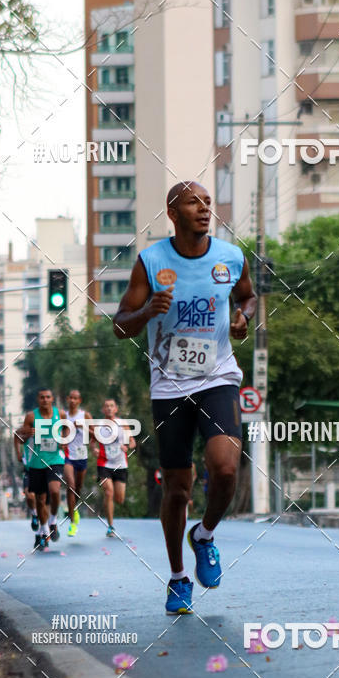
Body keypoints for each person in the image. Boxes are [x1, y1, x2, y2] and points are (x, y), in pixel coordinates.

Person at [113, 180, 256, 614]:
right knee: (177, 489)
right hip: (169, 384)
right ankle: (177, 578)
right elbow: (121, 325)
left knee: (226, 468)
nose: (204, 208)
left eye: (208, 202)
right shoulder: (151, 261)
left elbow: (249, 298)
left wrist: (242, 317)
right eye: (194, 202)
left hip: (217, 376)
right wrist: (146, 311)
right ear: (173, 212)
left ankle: (205, 534)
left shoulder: (230, 257)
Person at [15, 389, 65, 551]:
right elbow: (20, 437)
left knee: (55, 490)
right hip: (36, 463)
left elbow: (68, 428)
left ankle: (53, 521)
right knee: (40, 500)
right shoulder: (31, 417)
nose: (45, 400)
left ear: (52, 399)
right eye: (42, 397)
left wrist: (64, 440)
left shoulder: (60, 414)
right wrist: (28, 434)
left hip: (55, 460)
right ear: (38, 399)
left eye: (48, 397)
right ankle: (44, 531)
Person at [93, 398, 136, 538]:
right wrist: (94, 450)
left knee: (119, 498)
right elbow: (92, 442)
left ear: (116, 409)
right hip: (104, 463)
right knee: (109, 492)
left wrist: (127, 446)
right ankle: (110, 526)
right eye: (106, 406)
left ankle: (110, 513)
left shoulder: (123, 424)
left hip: (120, 464)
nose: (109, 408)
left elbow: (132, 442)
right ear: (103, 410)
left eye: (112, 406)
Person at [62, 389, 92, 537]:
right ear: (68, 399)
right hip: (68, 456)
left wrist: (83, 426)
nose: (72, 401)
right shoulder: (63, 415)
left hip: (82, 456)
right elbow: (59, 432)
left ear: (79, 401)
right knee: (71, 486)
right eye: (71, 398)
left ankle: (74, 509)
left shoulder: (84, 415)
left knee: (78, 488)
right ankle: (72, 523)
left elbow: (95, 434)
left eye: (75, 399)